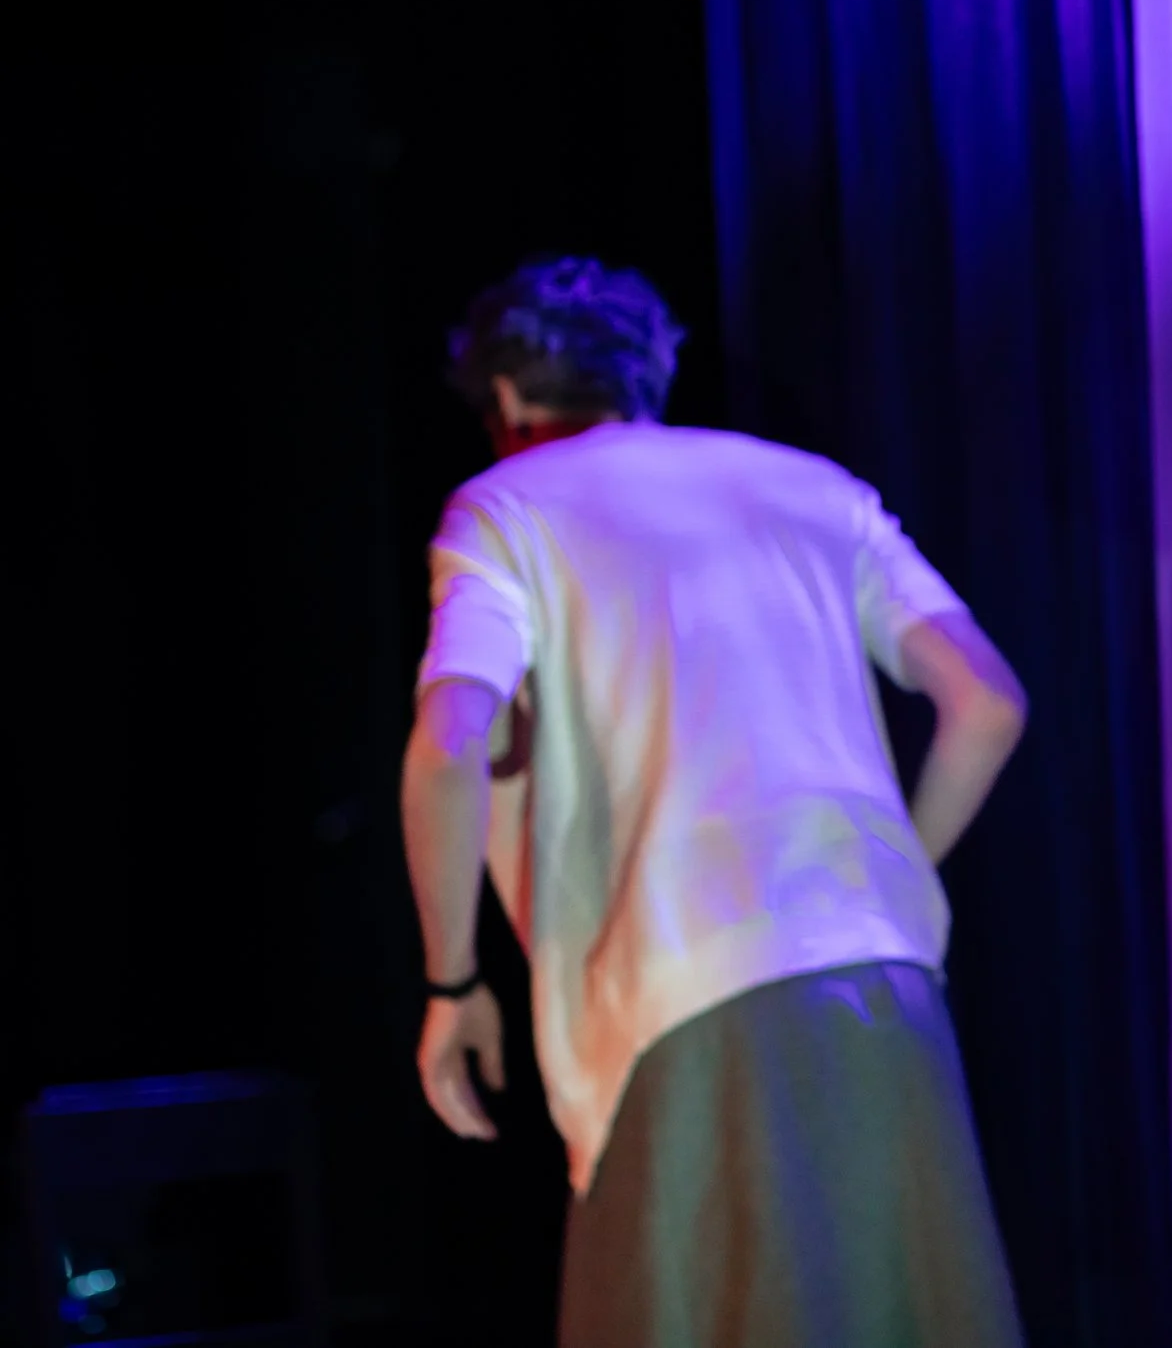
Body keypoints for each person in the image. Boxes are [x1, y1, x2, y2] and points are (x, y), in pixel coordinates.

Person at [400, 257, 1026, 1346]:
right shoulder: (813, 487)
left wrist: (452, 981)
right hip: (883, 973)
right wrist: (887, 866)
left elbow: (451, 740)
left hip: (682, 993)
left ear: (502, 400)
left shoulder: (500, 509)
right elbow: (986, 702)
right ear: (646, 375)